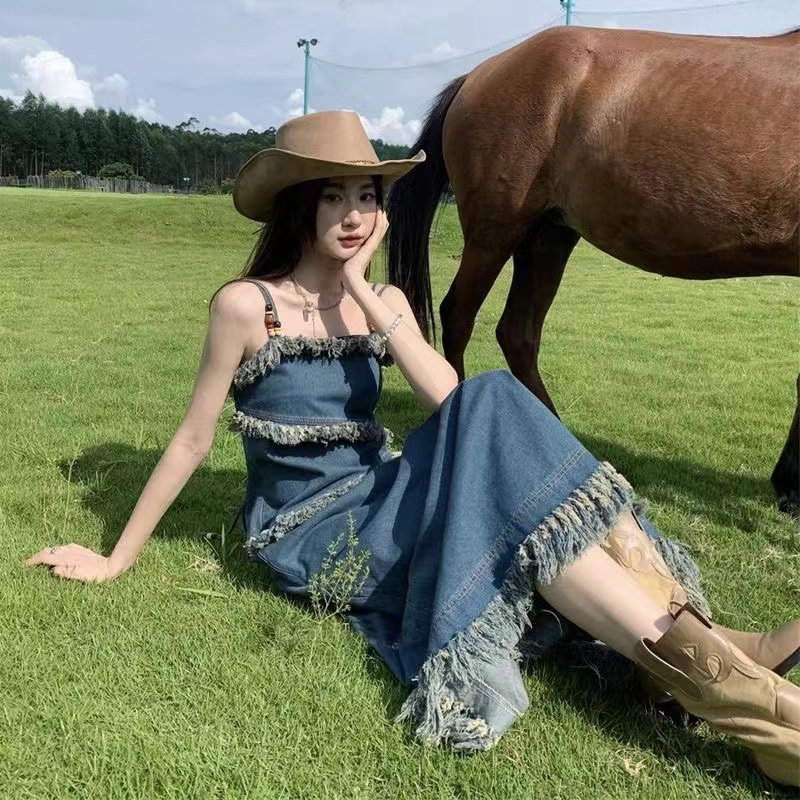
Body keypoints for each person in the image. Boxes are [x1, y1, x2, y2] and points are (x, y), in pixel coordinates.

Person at [26, 110, 800, 787]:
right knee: (511, 483)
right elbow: (195, 437)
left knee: (494, 407)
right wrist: (116, 558)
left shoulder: (383, 300)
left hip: (385, 490)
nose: (353, 214)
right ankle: (720, 669)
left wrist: (364, 289)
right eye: (333, 195)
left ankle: (710, 672)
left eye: (367, 196)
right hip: (315, 528)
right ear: (300, 204)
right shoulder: (247, 306)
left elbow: (449, 401)